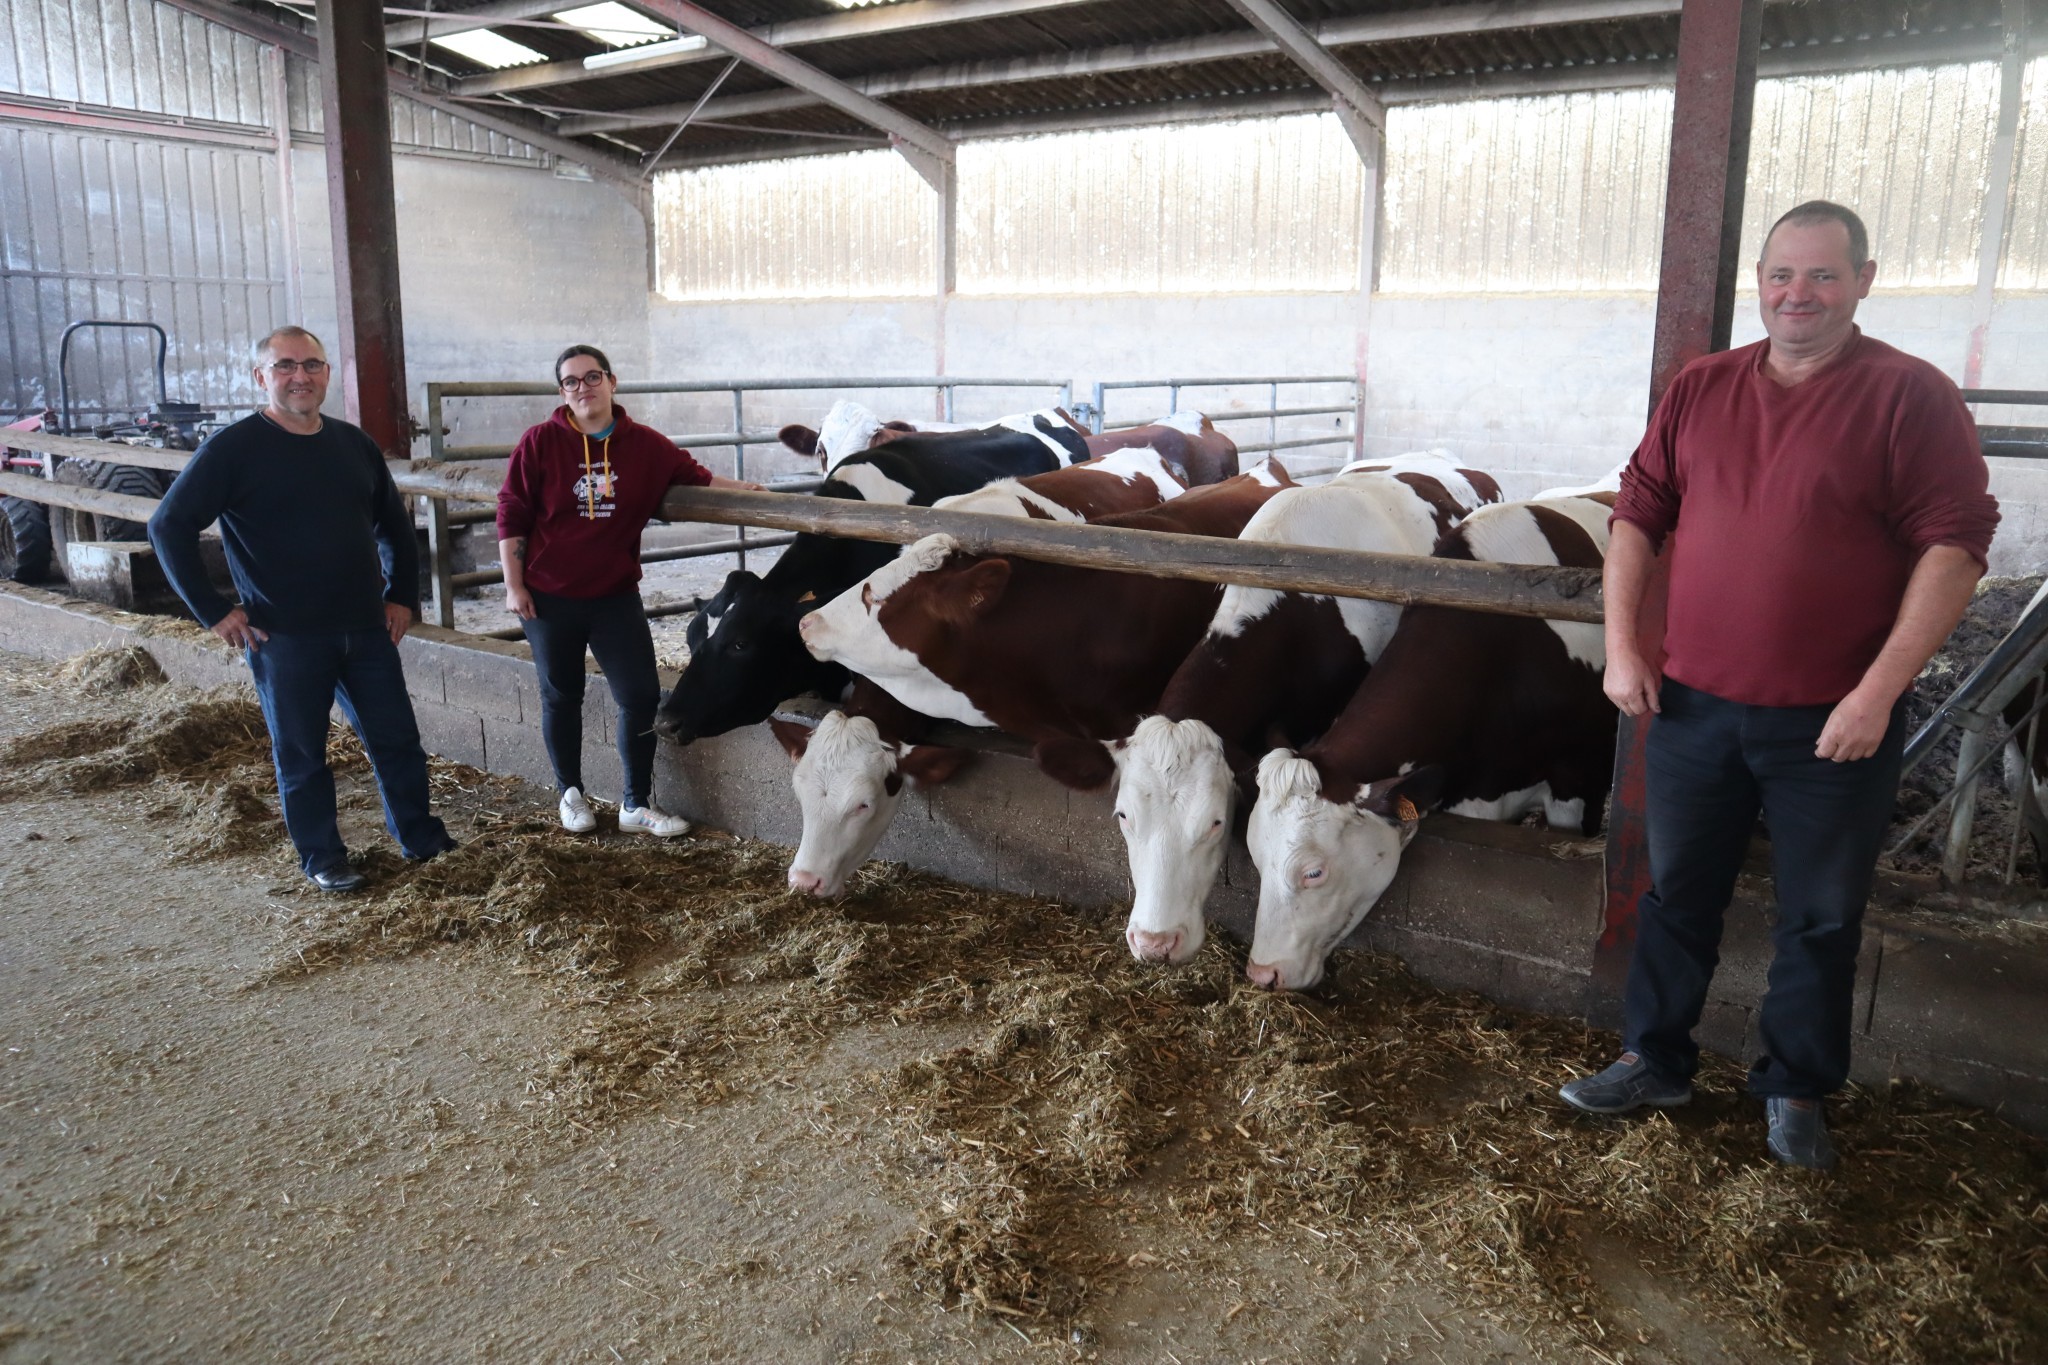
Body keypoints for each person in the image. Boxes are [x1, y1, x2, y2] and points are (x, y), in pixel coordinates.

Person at [1559, 202, 2000, 1170]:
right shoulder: (1700, 388)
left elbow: (1956, 547)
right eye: (1779, 276)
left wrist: (1877, 692)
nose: (1795, 295)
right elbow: (1634, 515)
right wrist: (1623, 647)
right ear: (1755, 281)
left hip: (1831, 720)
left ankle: (1793, 1088)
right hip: (1689, 706)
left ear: (1863, 279)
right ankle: (1655, 1057)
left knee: (1820, 913)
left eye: (1821, 276)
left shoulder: (1908, 397)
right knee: (1673, 893)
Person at [149, 326, 454, 893]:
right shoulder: (233, 450)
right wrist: (214, 611)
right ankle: (322, 857)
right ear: (261, 377)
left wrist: (401, 597)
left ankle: (422, 838)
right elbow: (168, 525)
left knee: (398, 742)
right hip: (283, 635)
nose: (300, 377)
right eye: (285, 366)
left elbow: (394, 525)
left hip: (365, 628)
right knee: (302, 753)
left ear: (326, 375)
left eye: (312, 365)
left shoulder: (351, 444)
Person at [496, 344, 761, 836]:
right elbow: (512, 512)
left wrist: (745, 492)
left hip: (614, 596)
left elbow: (696, 477)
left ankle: (634, 804)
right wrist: (514, 586)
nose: (583, 388)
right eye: (571, 381)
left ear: (612, 382)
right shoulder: (539, 442)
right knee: (560, 693)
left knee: (640, 696)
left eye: (592, 377)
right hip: (548, 595)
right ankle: (570, 794)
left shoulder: (645, 445)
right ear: (562, 392)